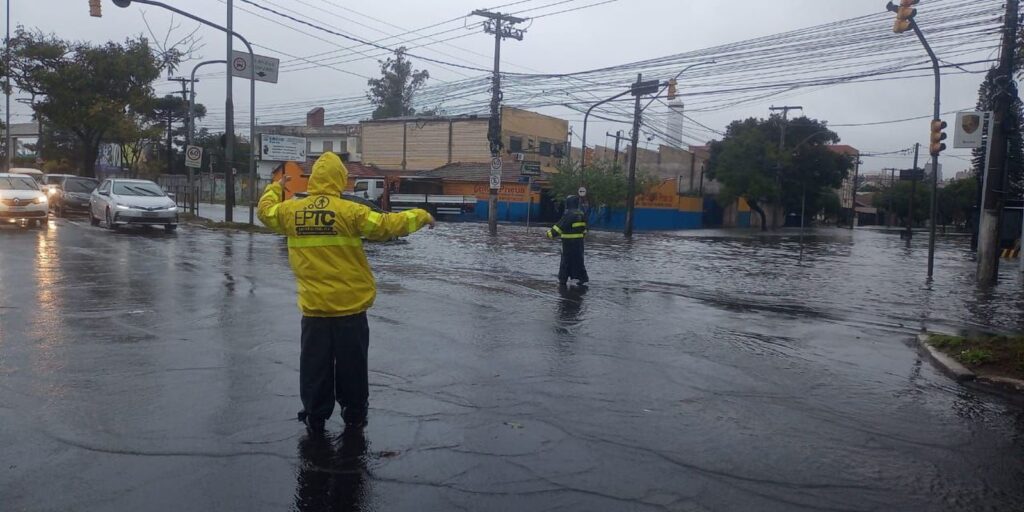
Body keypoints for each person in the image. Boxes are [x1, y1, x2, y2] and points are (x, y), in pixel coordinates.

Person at [258, 152, 435, 435]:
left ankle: (315, 417)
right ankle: (354, 417)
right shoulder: (350, 211)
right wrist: (421, 215)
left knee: (314, 367)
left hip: (314, 310)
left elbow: (265, 212)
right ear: (340, 179)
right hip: (350, 309)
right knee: (352, 367)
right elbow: (388, 226)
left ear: (314, 179)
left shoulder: (291, 212)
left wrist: (276, 187)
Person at [547, 195, 589, 286]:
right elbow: (585, 230)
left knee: (565, 262)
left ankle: (563, 280)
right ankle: (583, 278)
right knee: (578, 261)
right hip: (579, 243)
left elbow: (559, 227)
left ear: (569, 203)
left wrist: (549, 234)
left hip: (568, 243)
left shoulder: (569, 214)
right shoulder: (581, 214)